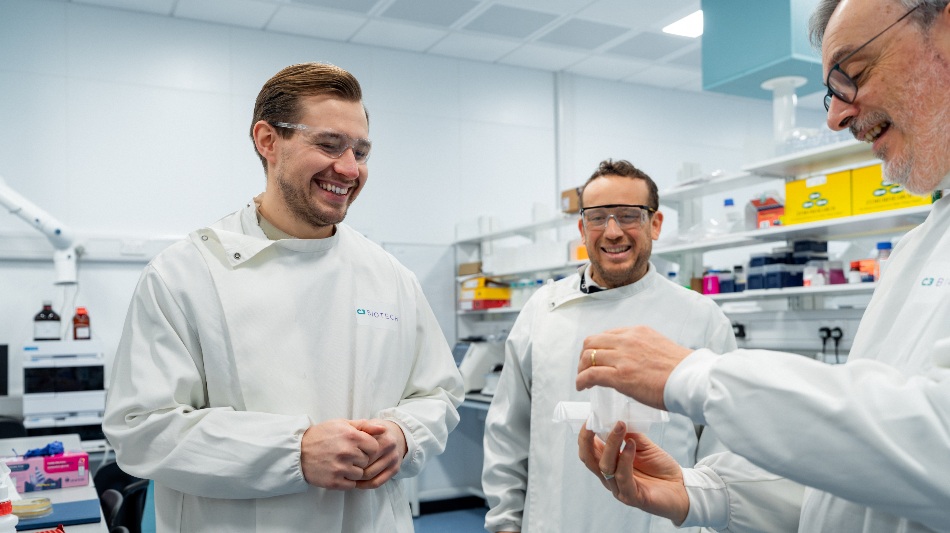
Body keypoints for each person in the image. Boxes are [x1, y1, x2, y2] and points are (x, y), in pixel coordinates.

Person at [575, 1, 950, 531]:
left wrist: (693, 374)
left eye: (855, 73)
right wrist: (702, 491)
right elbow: (865, 474)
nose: (836, 116)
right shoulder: (923, 244)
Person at [102, 62, 464, 533]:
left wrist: (403, 434)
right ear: (268, 141)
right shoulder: (186, 273)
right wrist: (292, 452)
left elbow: (438, 393)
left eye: (360, 150)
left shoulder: (389, 276)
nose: (350, 169)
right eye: (329, 145)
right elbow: (140, 429)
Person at [481, 159, 737, 532]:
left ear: (656, 224)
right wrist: (505, 524)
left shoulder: (700, 318)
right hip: (555, 520)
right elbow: (508, 433)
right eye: (599, 218)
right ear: (583, 228)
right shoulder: (543, 310)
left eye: (629, 216)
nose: (613, 231)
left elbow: (722, 449)